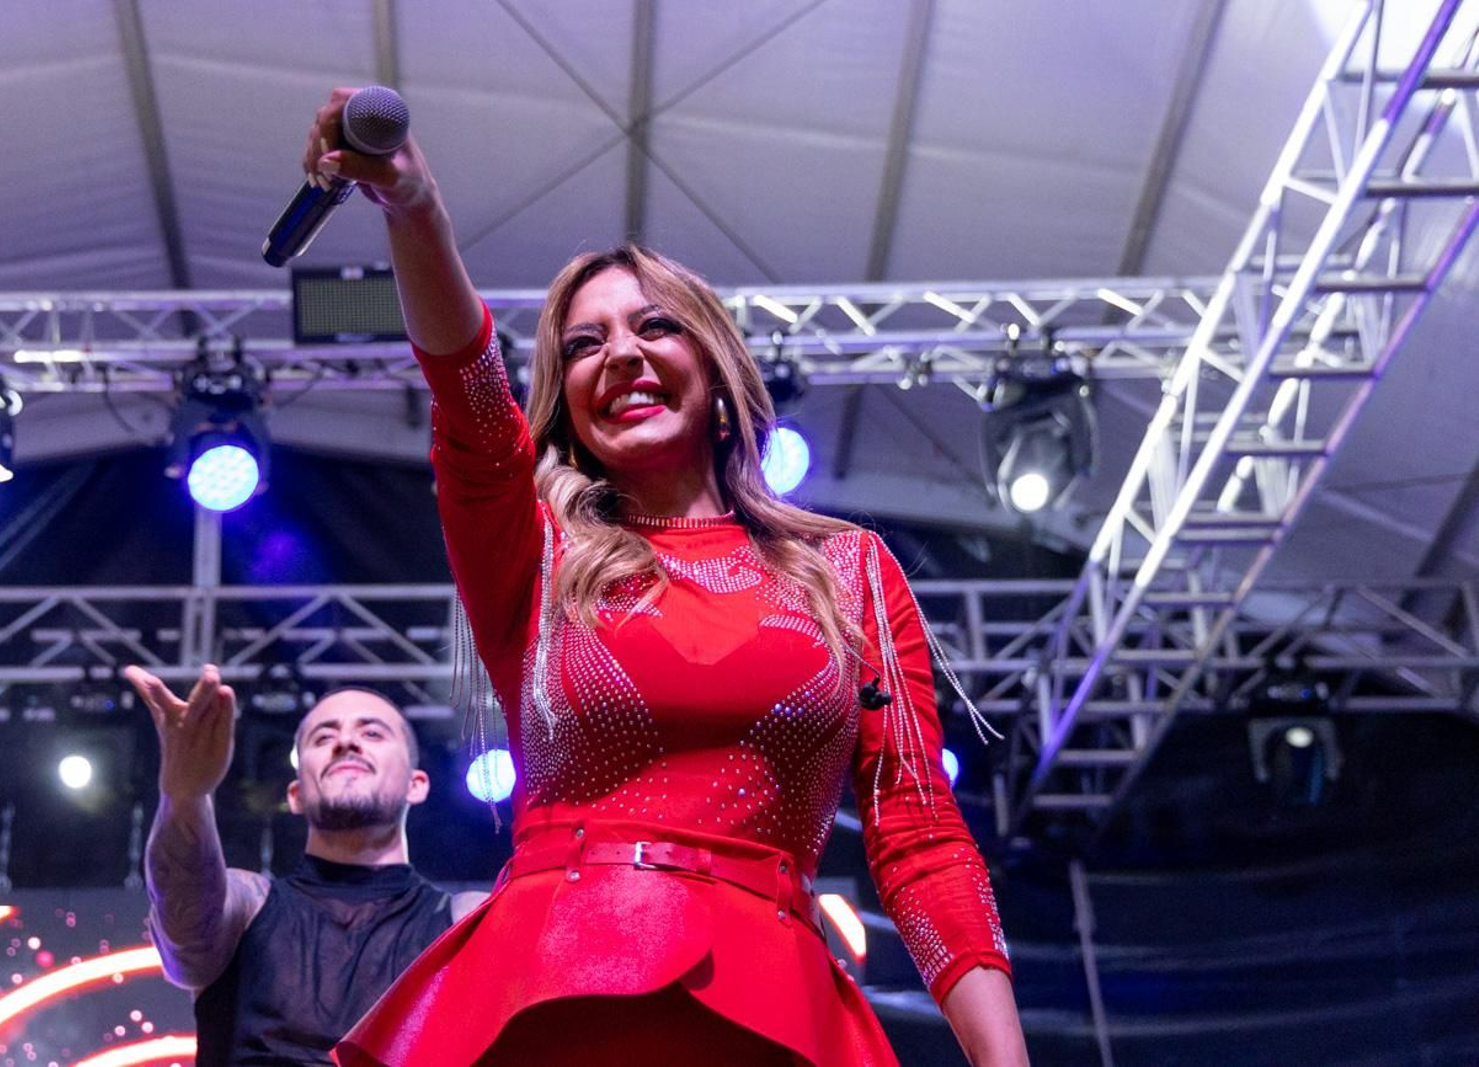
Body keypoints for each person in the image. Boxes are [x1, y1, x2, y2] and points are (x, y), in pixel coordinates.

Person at [301, 86, 1028, 1067]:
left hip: (772, 1010)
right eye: (585, 343)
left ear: (716, 366)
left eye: (655, 327)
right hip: (550, 1004)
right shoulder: (535, 551)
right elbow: (468, 395)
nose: (622, 355)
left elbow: (920, 835)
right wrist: (414, 207)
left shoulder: (849, 570)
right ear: (567, 398)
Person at [124, 665, 485, 1066]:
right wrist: (184, 796)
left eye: (372, 733)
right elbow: (185, 938)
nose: (345, 742)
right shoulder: (248, 906)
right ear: (295, 794)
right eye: (323, 737)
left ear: (416, 784)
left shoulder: (466, 921)